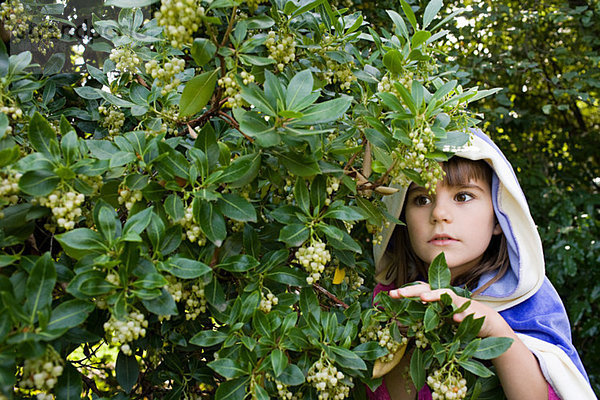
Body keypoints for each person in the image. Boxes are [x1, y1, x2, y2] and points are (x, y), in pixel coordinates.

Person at [368, 129, 596, 399]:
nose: (439, 213)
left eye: (462, 196)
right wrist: (403, 334)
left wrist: (494, 328)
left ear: (500, 217)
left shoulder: (527, 301)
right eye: (422, 199)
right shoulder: (394, 295)